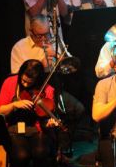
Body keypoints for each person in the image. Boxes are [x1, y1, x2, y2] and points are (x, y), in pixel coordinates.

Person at [10, 15, 85, 155]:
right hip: (32, 95)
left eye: (47, 34)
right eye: (40, 36)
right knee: (48, 121)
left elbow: (68, 65)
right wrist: (43, 62)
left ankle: (62, 149)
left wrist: (61, 57)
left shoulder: (54, 41)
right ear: (31, 32)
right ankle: (49, 152)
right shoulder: (19, 48)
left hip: (53, 89)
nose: (44, 39)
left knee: (78, 109)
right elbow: (16, 76)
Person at [0, 59, 56, 167]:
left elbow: (46, 119)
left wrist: (50, 124)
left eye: (29, 82)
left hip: (36, 129)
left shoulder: (47, 89)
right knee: (21, 155)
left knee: (41, 153)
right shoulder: (10, 82)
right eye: (23, 80)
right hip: (14, 128)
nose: (25, 84)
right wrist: (13, 105)